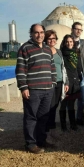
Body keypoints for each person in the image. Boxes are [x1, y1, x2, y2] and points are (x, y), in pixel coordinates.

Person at [15, 24, 56, 154]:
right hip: (33, 90)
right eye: (36, 33)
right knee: (31, 117)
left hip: (47, 89)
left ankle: (41, 141)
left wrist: (53, 82)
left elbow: (52, 68)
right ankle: (30, 144)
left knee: (43, 117)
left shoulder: (48, 49)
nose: (40, 35)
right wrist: (23, 87)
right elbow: (20, 70)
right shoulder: (25, 48)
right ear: (31, 33)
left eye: (42, 32)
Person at [44, 30, 69, 138]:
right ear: (46, 40)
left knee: (55, 104)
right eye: (49, 39)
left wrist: (66, 82)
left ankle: (51, 126)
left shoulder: (59, 52)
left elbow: (63, 67)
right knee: (49, 105)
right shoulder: (43, 51)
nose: (52, 41)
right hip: (49, 82)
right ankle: (48, 127)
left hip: (59, 82)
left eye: (54, 38)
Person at [59, 34, 80, 132]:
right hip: (66, 81)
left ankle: (73, 124)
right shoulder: (61, 54)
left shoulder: (75, 53)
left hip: (75, 81)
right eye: (67, 42)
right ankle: (63, 125)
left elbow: (77, 68)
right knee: (63, 103)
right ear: (64, 43)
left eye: (71, 42)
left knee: (71, 104)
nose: (69, 43)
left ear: (73, 43)